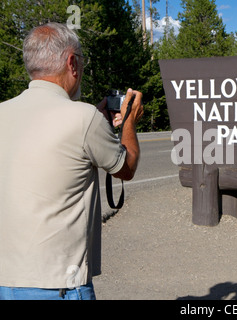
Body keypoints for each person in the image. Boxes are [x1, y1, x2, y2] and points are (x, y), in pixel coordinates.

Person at [0, 22, 143, 300]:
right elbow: (126, 169)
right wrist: (129, 122)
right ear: (72, 62)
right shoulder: (83, 117)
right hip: (58, 284)